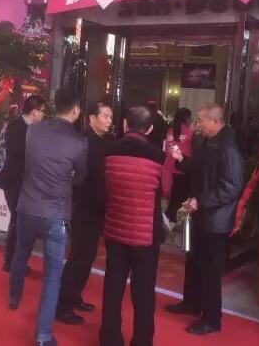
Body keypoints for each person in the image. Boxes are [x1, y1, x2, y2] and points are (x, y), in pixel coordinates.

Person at [9, 87, 88, 346]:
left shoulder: (34, 130)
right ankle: (43, 336)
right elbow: (81, 177)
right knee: (53, 276)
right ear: (76, 110)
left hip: (27, 206)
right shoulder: (79, 142)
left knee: (20, 253)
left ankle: (13, 297)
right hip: (56, 213)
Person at [166, 104, 244, 335]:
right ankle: (191, 303)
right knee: (193, 262)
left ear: (214, 122)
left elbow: (231, 187)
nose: (197, 125)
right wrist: (181, 159)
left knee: (210, 269)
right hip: (201, 215)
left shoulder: (229, 148)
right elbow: (199, 169)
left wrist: (201, 201)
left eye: (200, 121)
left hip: (215, 220)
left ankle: (211, 318)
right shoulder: (208, 142)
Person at [99, 106, 165, 346]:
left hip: (115, 229)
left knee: (113, 287)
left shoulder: (108, 151)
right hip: (145, 235)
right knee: (144, 292)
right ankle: (142, 340)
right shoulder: (158, 157)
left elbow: (102, 189)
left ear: (125, 125)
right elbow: (164, 191)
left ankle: (109, 338)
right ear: (149, 129)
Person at [56, 101, 113, 325]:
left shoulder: (99, 142)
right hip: (85, 208)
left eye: (110, 117)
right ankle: (63, 306)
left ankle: (73, 297)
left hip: (92, 209)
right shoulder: (86, 142)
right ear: (91, 118)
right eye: (105, 116)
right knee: (79, 257)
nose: (109, 121)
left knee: (86, 256)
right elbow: (88, 180)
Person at [0, 95, 45, 272]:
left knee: (22, 220)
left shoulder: (37, 128)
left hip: (29, 181)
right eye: (42, 111)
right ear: (34, 111)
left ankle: (16, 260)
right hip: (14, 180)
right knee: (18, 219)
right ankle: (10, 260)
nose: (43, 115)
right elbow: (16, 151)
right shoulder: (15, 126)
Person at [163, 108, 193, 222]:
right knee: (181, 197)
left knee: (173, 194)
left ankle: (169, 216)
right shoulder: (190, 131)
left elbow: (166, 148)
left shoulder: (170, 131)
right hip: (183, 167)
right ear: (187, 118)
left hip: (170, 167)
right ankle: (175, 218)